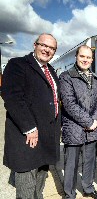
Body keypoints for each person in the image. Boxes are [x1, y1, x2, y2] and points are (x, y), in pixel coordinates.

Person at [1, 33, 61, 199]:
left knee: (40, 183)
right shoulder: (18, 64)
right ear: (35, 45)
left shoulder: (51, 71)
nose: (47, 50)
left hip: (46, 138)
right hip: (28, 137)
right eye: (44, 45)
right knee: (26, 186)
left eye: (52, 48)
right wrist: (29, 128)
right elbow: (12, 97)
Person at [59, 45, 97, 199]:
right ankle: (69, 194)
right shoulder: (66, 76)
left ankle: (88, 188)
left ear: (92, 59)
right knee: (71, 164)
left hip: (92, 129)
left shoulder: (96, 78)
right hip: (73, 129)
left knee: (90, 162)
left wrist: (95, 120)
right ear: (76, 57)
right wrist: (88, 121)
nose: (85, 60)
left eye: (88, 57)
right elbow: (69, 104)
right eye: (82, 56)